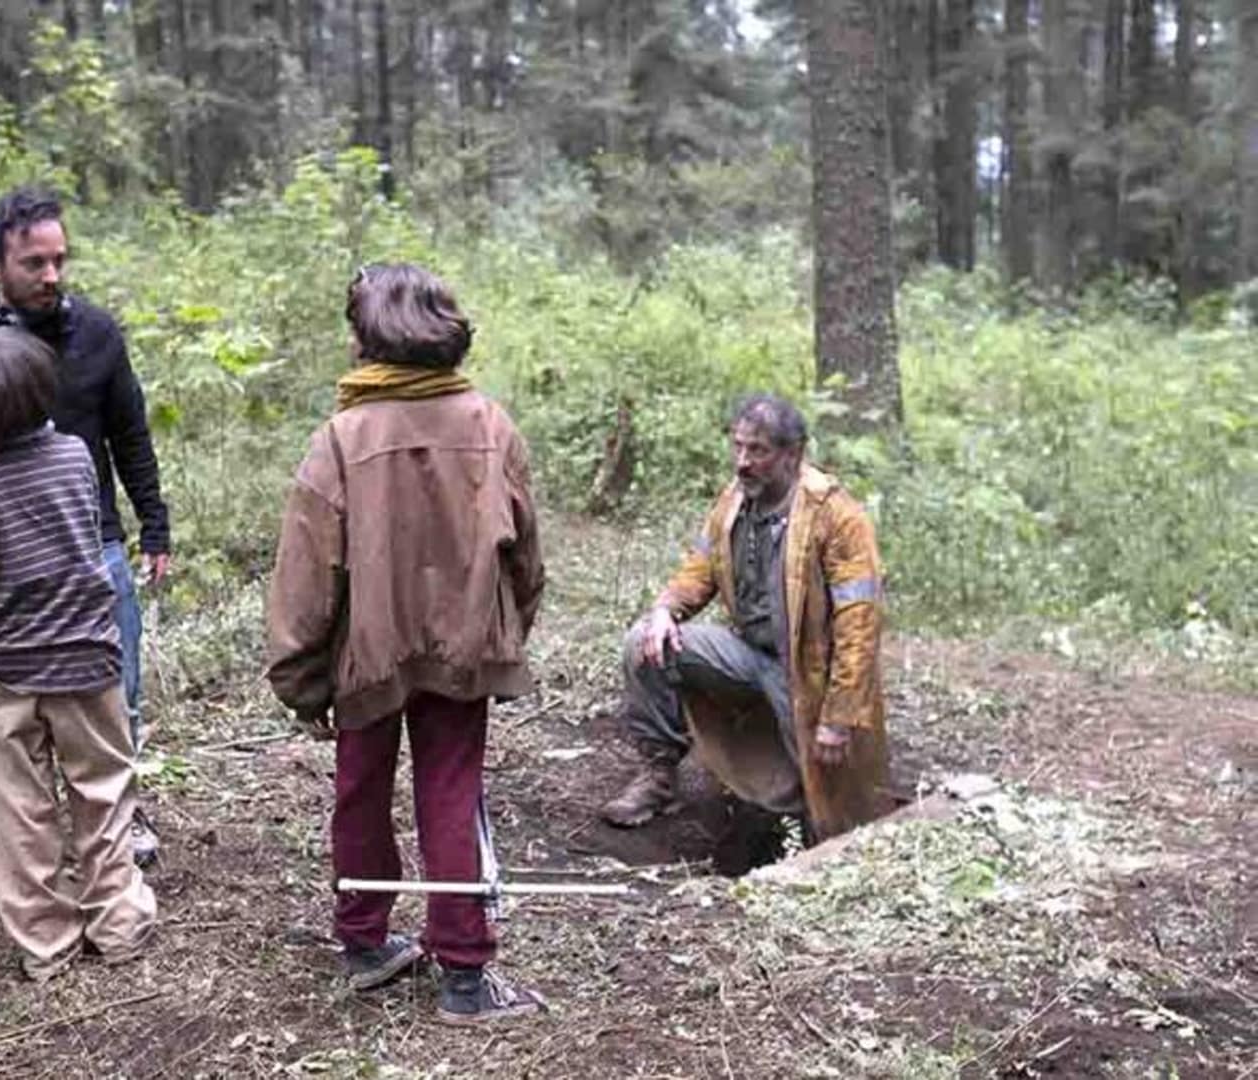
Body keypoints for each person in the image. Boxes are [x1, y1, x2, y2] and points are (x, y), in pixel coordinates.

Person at [265, 264, 547, 1026]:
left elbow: (305, 577)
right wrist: (505, 631)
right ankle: (462, 974)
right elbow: (526, 560)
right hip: (462, 653)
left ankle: (362, 944)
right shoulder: (491, 425)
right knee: (451, 793)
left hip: (366, 656)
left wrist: (301, 678)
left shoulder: (343, 437)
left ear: (370, 337)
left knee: (359, 790)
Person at [0, 186, 170, 867]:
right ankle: (35, 838)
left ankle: (117, 822)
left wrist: (155, 526)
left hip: (94, 546)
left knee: (116, 691)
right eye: (33, 263)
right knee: (11, 707)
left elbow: (130, 434)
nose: (51, 276)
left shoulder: (97, 333)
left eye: (59, 260)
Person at [0, 327, 156, 982]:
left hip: (4, 670)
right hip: (87, 655)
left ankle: (48, 945)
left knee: (18, 813)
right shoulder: (75, 457)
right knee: (104, 792)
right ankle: (120, 925)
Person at [600, 393, 891, 842]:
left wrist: (839, 716)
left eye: (757, 451)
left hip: (809, 674)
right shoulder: (733, 500)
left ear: (792, 454)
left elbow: (859, 625)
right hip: (748, 653)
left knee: (830, 804)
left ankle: (830, 848)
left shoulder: (835, 516)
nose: (742, 462)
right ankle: (658, 776)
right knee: (645, 641)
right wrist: (664, 610)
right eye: (738, 447)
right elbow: (700, 568)